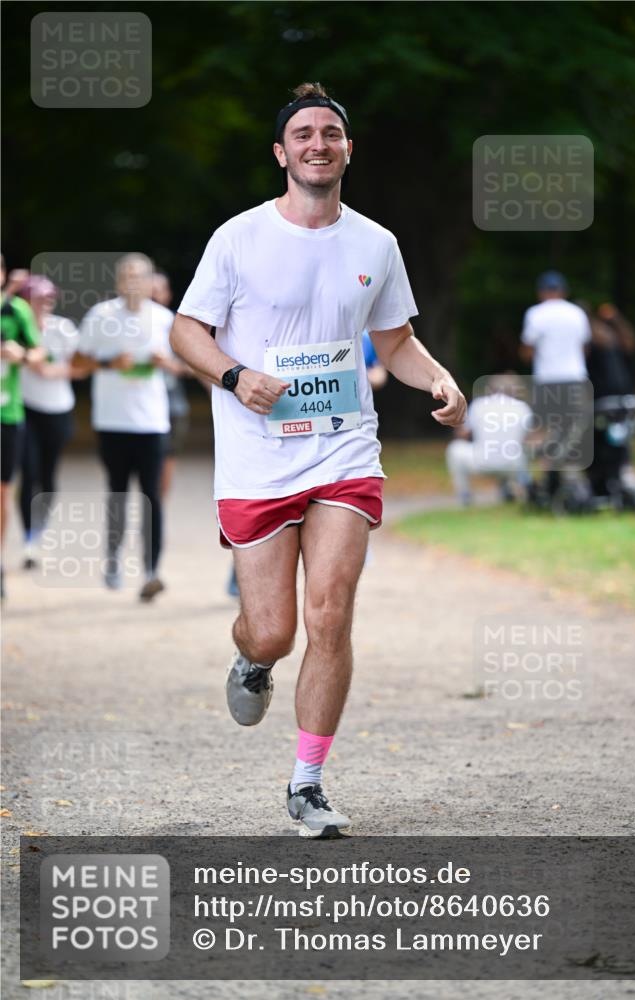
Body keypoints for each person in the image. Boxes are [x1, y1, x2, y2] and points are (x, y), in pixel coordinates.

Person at [171, 82, 466, 838]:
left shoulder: (375, 243)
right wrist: (235, 377)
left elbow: (394, 342)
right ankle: (252, 661)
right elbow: (187, 332)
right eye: (302, 133)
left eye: (329, 133)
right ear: (281, 152)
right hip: (257, 460)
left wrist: (435, 376)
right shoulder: (237, 237)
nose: (317, 144)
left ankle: (307, 783)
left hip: (342, 451)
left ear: (346, 149)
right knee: (272, 631)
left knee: (328, 615)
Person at [74, 253, 179, 602]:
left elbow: (188, 366)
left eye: (140, 276)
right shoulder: (100, 316)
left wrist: (168, 364)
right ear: (118, 282)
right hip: (113, 422)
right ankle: (114, 560)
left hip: (152, 422)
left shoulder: (165, 319)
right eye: (127, 276)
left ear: (152, 282)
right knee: (118, 493)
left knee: (153, 496)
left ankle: (152, 571)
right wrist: (109, 362)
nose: (133, 282)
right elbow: (77, 361)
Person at [16, 276, 80, 568]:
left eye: (48, 298)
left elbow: (80, 366)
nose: (44, 304)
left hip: (57, 409)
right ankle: (30, 540)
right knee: (28, 473)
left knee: (48, 475)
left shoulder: (63, 329)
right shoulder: (16, 328)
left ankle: (40, 529)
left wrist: (53, 371)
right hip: (26, 408)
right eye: (38, 298)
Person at [519, 271, 592, 498]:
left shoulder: (535, 314)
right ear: (563, 291)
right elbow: (584, 347)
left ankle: (544, 482)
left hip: (547, 380)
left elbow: (527, 351)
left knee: (543, 430)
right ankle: (571, 480)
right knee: (573, 431)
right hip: (575, 379)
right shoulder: (577, 313)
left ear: (541, 292)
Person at [1, 255, 43, 598]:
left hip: (7, 414)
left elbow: (39, 354)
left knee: (2, 494)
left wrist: (21, 355)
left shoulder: (16, 311)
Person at [446, 374, 533, 505]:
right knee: (520, 449)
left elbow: (463, 433)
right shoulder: (523, 408)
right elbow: (529, 438)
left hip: (482, 463)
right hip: (513, 465)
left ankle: (465, 495)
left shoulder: (479, 405)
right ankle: (522, 488)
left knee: (455, 448)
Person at [151, 271, 191, 499]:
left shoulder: (177, 325)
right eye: (150, 291)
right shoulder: (131, 324)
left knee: (167, 460)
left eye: (159, 291)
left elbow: (195, 366)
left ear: (168, 295)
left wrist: (169, 364)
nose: (155, 296)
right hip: (137, 406)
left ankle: (158, 511)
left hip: (172, 404)